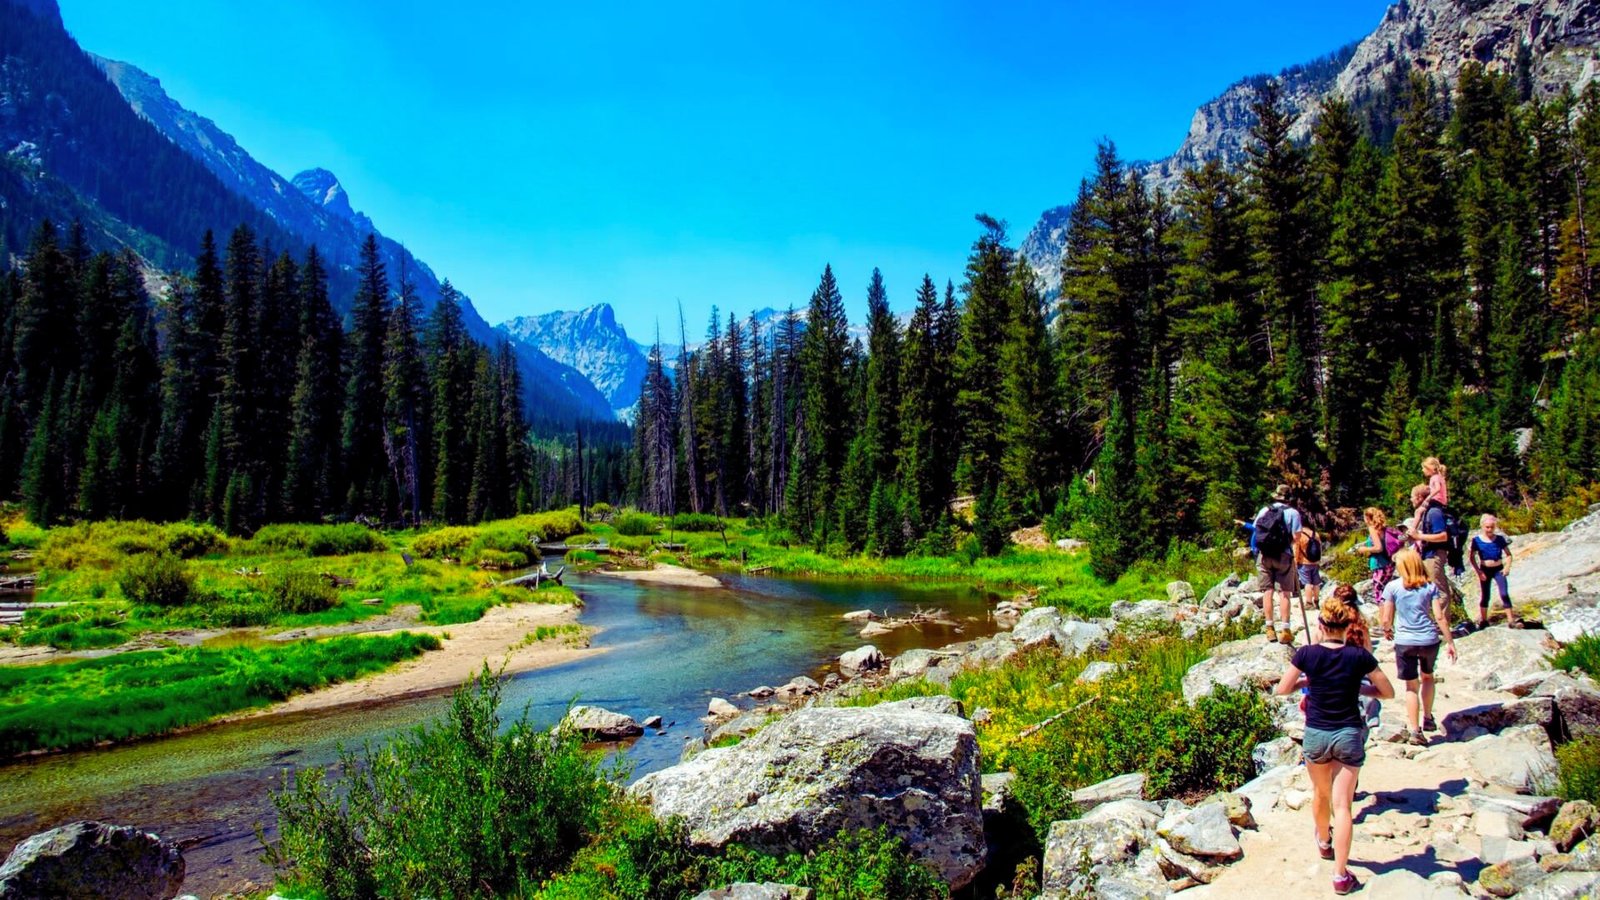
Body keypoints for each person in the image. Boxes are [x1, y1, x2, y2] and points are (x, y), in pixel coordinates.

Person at [1275, 596, 1396, 896]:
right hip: (1348, 733)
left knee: (1320, 794)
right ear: (1346, 626)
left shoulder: (1307, 654)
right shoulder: (1359, 656)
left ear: (1321, 625)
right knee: (1343, 805)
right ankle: (1340, 875)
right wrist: (1359, 686)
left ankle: (1324, 841)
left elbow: (1282, 688)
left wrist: (1308, 682)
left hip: (1317, 732)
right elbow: (1387, 692)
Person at [1379, 548, 1457, 746]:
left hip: (1405, 641)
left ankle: (1415, 730)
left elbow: (1387, 617)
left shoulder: (1393, 587)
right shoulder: (1429, 587)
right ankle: (1428, 716)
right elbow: (1439, 616)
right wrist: (1450, 642)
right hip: (1429, 639)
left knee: (1411, 686)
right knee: (1428, 677)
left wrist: (1387, 630)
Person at [1253, 485, 1303, 645]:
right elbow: (1297, 536)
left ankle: (1269, 628)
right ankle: (1285, 630)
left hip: (1265, 555)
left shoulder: (1264, 511)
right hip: (1284, 554)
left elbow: (1255, 529)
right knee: (1285, 593)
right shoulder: (1293, 513)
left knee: (1267, 591)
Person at [1408, 484, 1457, 618]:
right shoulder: (1425, 512)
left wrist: (1419, 536)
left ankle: (1441, 624)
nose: (1411, 500)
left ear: (1419, 497)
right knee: (1433, 590)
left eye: (1412, 497)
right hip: (1428, 555)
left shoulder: (1434, 512)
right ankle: (1438, 622)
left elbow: (1443, 536)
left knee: (1439, 591)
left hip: (1434, 555)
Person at [1469, 514, 1521, 630]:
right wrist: (1478, 571)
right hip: (1485, 569)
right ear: (1482, 527)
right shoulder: (1477, 541)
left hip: (1498, 569)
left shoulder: (1499, 539)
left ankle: (1511, 621)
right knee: (1485, 595)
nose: (1489, 529)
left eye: (1492, 527)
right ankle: (1483, 621)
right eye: (1487, 527)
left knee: (1504, 594)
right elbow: (1471, 557)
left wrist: (1507, 567)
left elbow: (1508, 555)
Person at [1350, 507, 1399, 598]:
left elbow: (1378, 548)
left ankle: (1383, 612)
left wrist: (1364, 549)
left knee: (1379, 593)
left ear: (1367, 518)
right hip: (1389, 563)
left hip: (1380, 564)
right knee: (1386, 592)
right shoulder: (1383, 528)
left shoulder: (1372, 528)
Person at [1296, 523, 1325, 611]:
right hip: (1315, 562)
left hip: (1304, 562)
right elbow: (1319, 547)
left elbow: (1297, 548)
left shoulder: (1300, 534)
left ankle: (1309, 603)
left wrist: (1295, 561)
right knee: (1316, 583)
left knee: (1307, 583)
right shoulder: (1315, 534)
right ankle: (1316, 601)